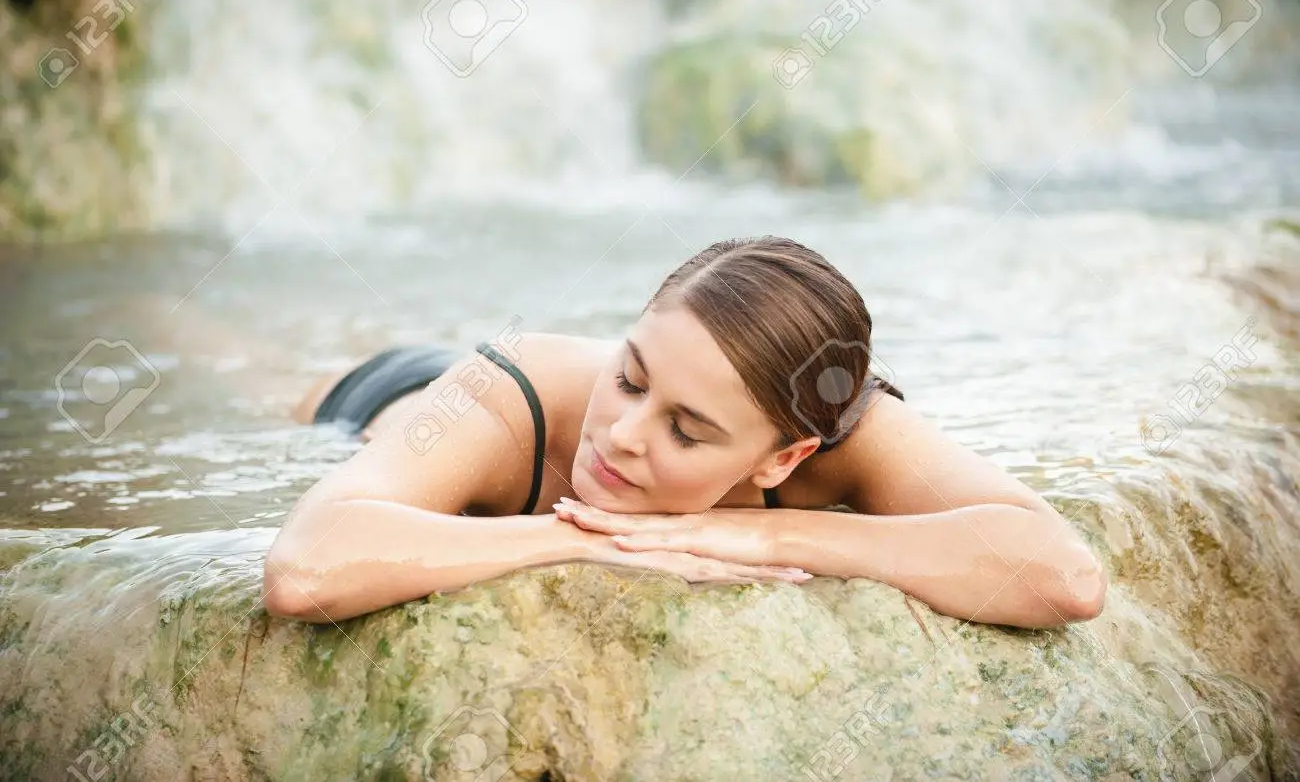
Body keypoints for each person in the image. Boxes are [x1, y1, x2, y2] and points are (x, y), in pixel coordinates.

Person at [263, 236, 1106, 628]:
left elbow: (1063, 578)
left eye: (688, 430)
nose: (622, 434)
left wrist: (754, 533)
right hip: (389, 398)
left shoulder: (845, 425)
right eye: (629, 375)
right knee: (245, 365)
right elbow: (307, 569)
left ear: (786, 454)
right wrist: (584, 542)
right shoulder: (506, 389)